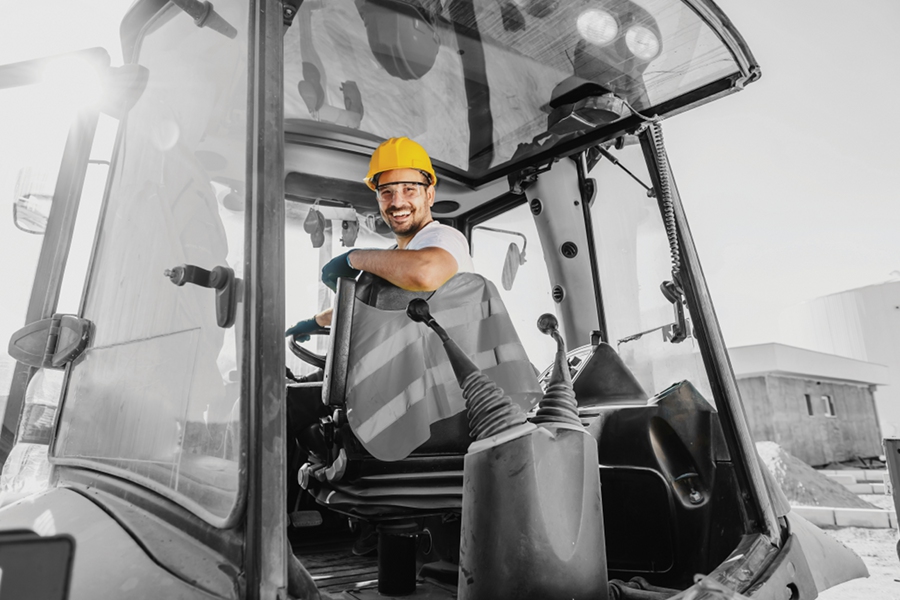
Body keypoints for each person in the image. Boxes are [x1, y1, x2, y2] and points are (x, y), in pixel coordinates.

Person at [285, 136, 474, 341]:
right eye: (386, 192)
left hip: (447, 370)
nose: (397, 202)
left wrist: (353, 258)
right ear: (378, 199)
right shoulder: (398, 259)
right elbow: (364, 308)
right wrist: (317, 321)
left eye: (409, 190)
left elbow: (425, 273)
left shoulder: (444, 238)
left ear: (429, 195)